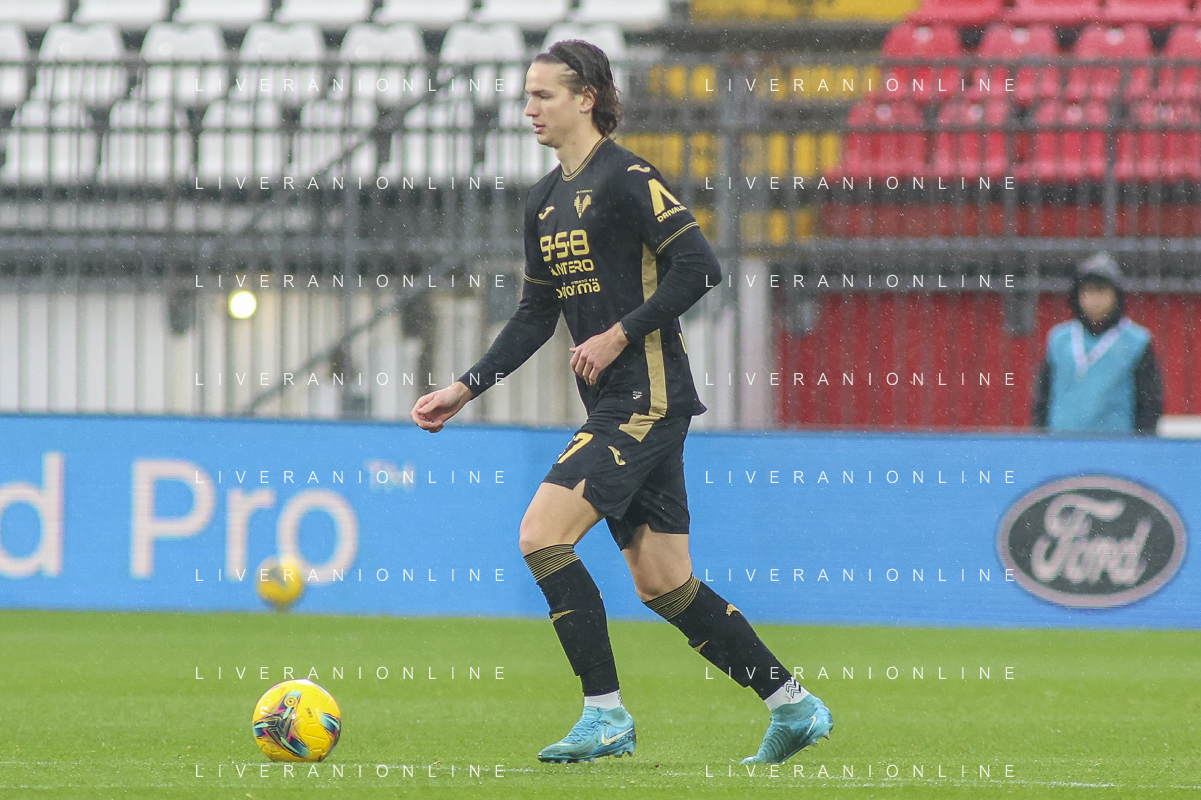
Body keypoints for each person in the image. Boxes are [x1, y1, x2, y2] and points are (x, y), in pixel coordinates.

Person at [410, 40, 832, 765]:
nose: (528, 108)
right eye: (527, 95)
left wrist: (618, 334)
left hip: (646, 396)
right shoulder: (542, 201)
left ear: (586, 98)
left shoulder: (629, 177)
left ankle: (604, 715)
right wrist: (464, 386)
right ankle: (791, 705)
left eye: (543, 95)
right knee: (664, 584)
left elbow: (699, 267)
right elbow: (535, 314)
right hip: (616, 401)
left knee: (541, 534)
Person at [1032, 252, 1163, 434]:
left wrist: (1140, 444)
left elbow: (1149, 404)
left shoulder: (1136, 342)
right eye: (1087, 291)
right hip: (1061, 443)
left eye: (1102, 291)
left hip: (1115, 445)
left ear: (1117, 296)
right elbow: (1042, 398)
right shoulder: (1059, 339)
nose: (1094, 300)